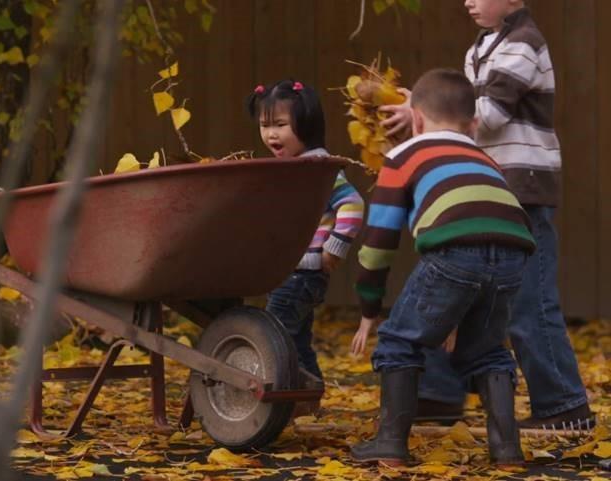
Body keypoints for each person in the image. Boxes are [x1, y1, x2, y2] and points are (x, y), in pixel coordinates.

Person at [378, 0, 594, 431]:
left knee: (530, 300)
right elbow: (466, 123)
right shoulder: (481, 47)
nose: (468, 2)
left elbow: (488, 115)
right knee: (458, 291)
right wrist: (426, 110)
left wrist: (424, 110)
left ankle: (563, 404)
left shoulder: (524, 44)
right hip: (490, 189)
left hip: (523, 190)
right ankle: (439, 393)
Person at [351, 68, 535, 467]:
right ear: (473, 124)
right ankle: (507, 451)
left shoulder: (403, 155)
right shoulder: (486, 159)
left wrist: (369, 306)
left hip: (454, 251)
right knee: (487, 349)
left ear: (415, 119)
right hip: (515, 250)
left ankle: (390, 445)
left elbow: (378, 243)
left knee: (398, 341)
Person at [247, 79, 365, 401]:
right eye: (264, 126)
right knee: (296, 341)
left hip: (303, 273)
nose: (271, 135)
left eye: (280, 125)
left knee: (273, 336)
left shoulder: (317, 169)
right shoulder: (295, 167)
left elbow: (353, 204)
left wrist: (334, 248)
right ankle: (309, 400)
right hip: (293, 273)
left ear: (307, 124)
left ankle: (276, 399)